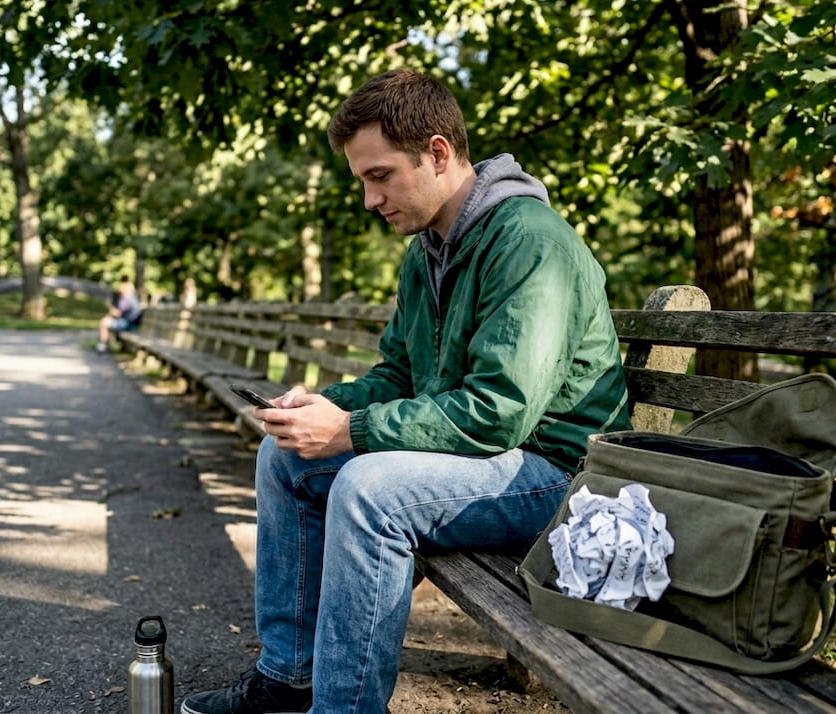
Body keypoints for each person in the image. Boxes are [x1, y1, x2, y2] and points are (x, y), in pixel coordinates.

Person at [179, 69, 630, 714]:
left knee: (371, 492)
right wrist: (325, 408)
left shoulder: (529, 242)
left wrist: (352, 432)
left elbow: (499, 412)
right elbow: (395, 376)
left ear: (438, 153)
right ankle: (290, 678)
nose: (368, 198)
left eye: (379, 176)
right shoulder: (429, 252)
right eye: (362, 179)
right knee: (286, 460)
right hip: (483, 459)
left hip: (556, 474)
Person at [96, 277, 142, 352]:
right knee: (107, 321)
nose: (119, 290)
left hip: (128, 324)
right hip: (132, 323)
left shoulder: (126, 298)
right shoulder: (133, 298)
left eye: (121, 288)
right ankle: (105, 344)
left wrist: (110, 309)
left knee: (104, 322)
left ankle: (102, 345)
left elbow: (118, 313)